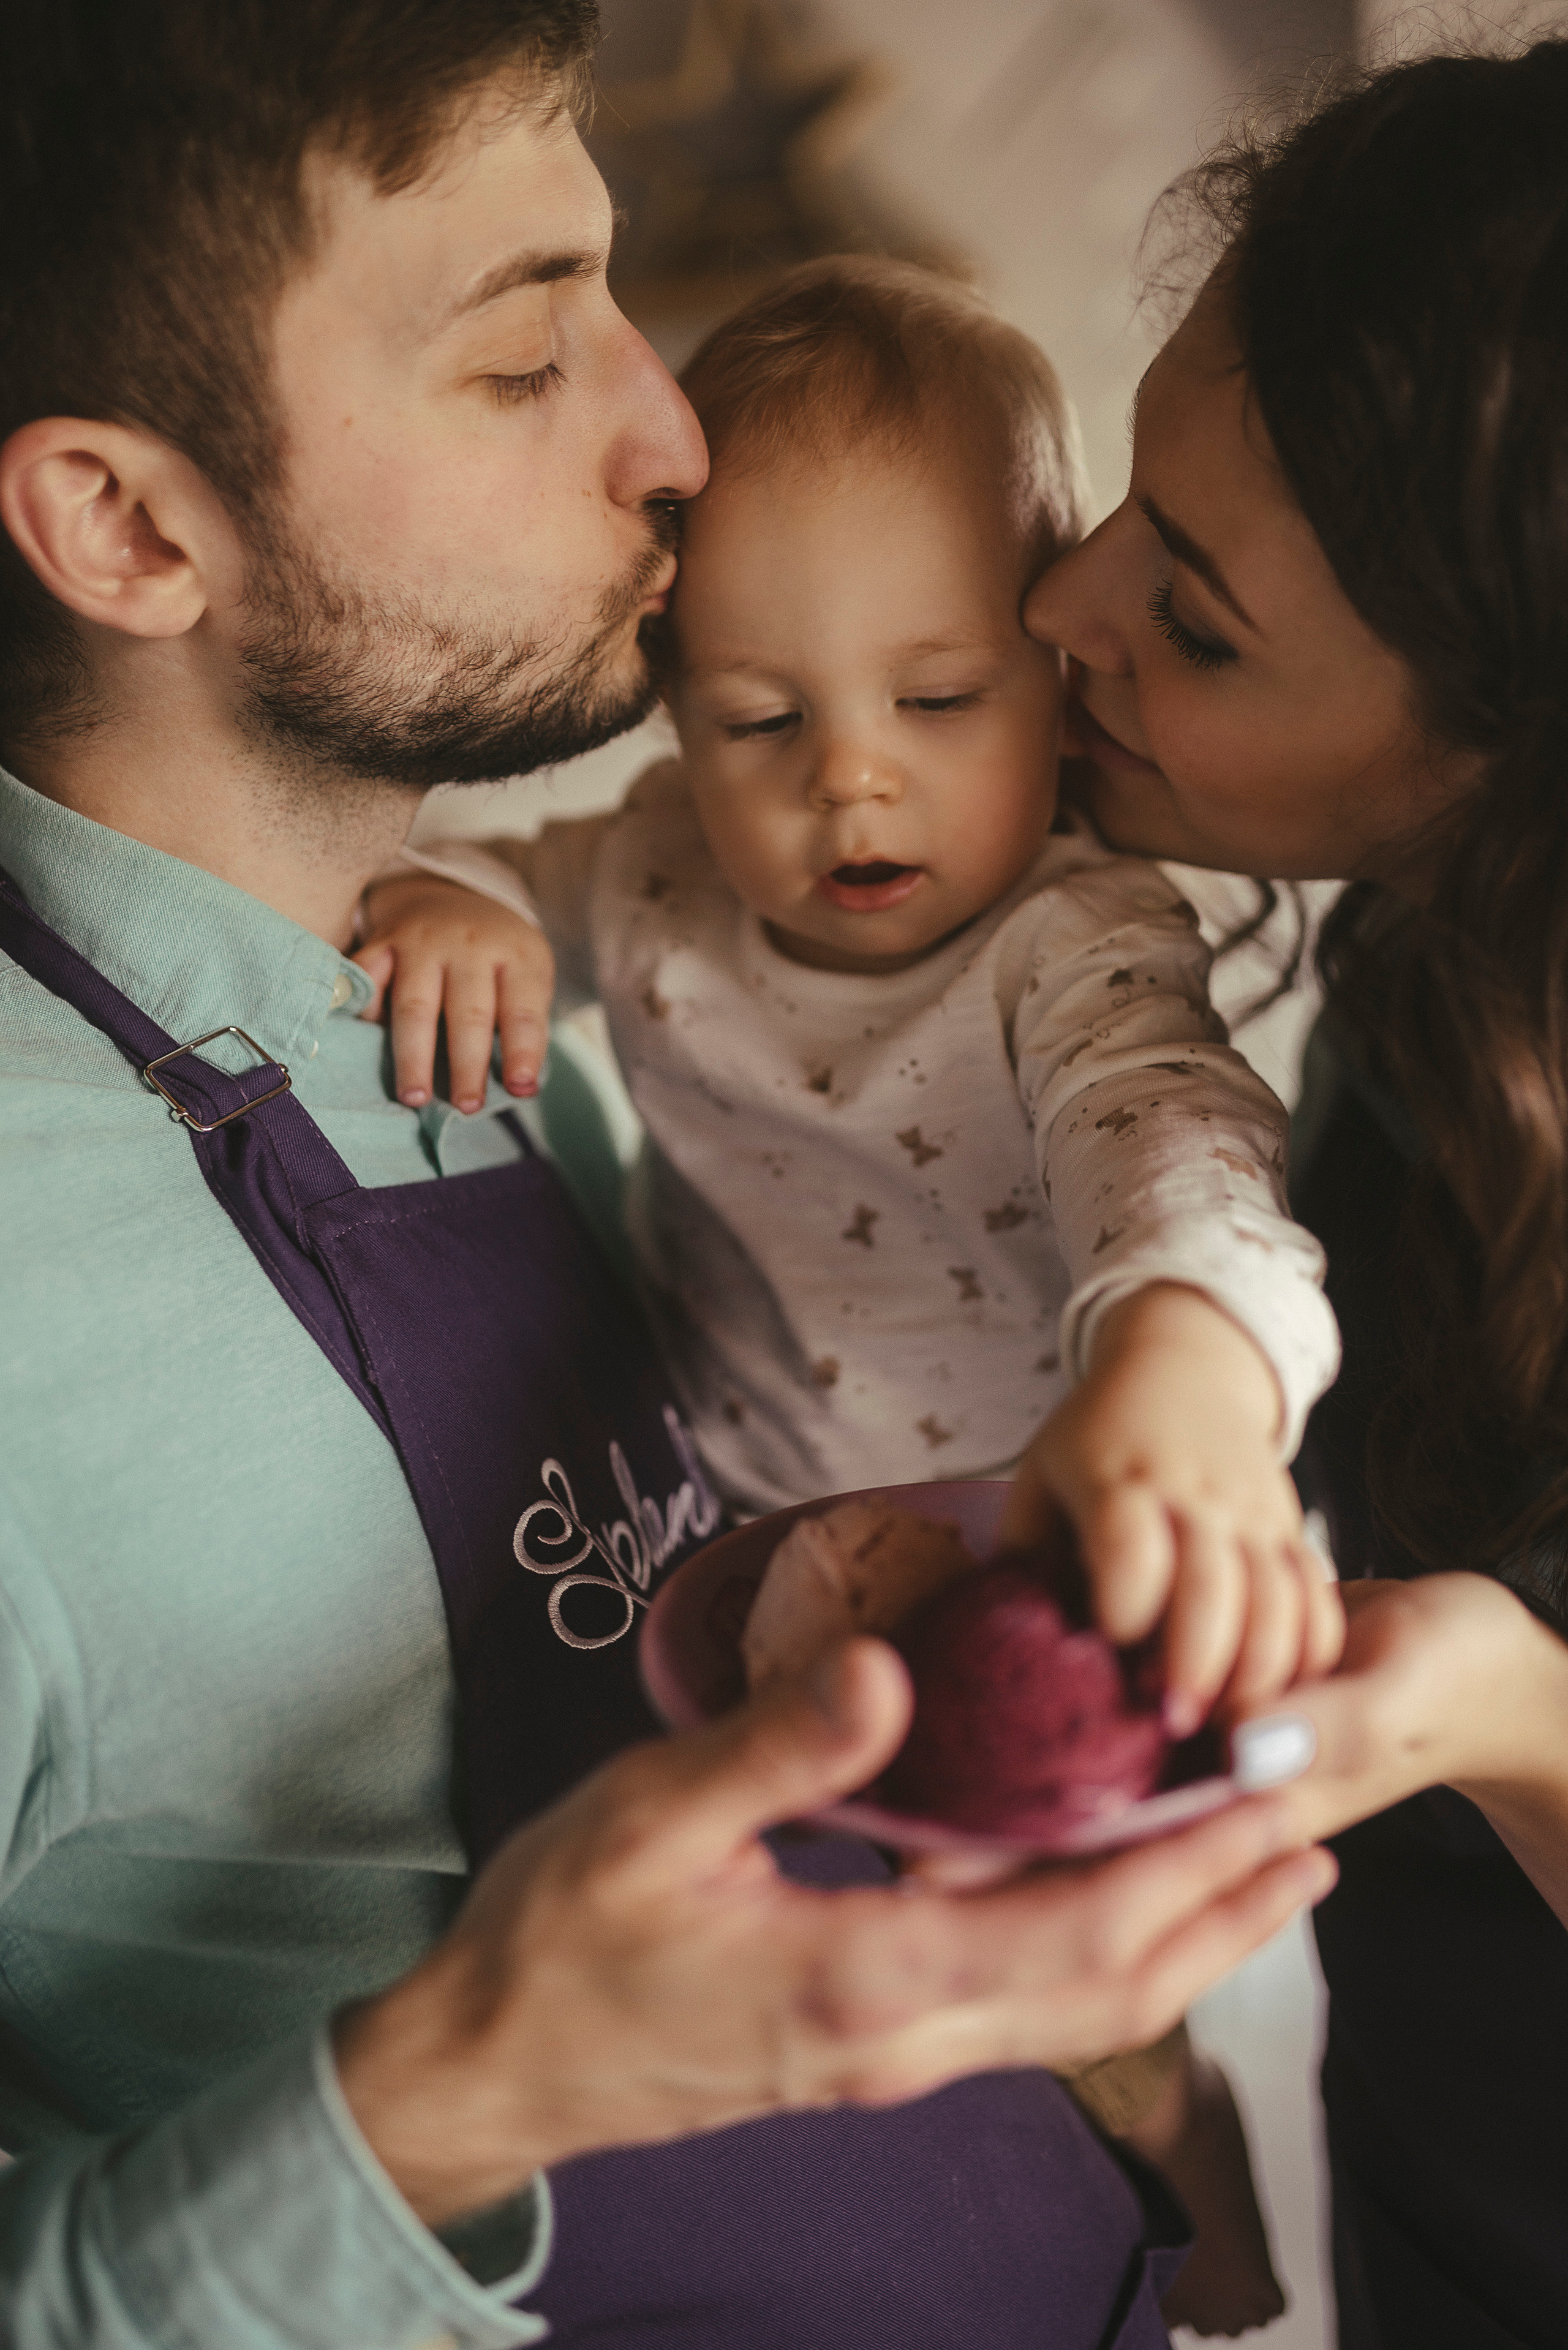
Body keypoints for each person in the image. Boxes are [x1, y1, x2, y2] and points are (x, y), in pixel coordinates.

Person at [0, 7, 1337, 2348]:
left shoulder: (505, 973)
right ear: (129, 524)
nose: (673, 431)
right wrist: (466, 2086)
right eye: (527, 361)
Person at [363, 252, 1344, 2337]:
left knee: (1117, 2024)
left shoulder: (1076, 943)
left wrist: (1187, 1366)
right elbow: (484, 894)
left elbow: (1182, 1147)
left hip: (1053, 1571)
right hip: (768, 1554)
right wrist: (453, 903)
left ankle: (1221, 2235)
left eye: (937, 696)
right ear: (673, 704)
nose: (850, 783)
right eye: (759, 718)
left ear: (1051, 671)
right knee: (891, 2012)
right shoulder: (653, 878)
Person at [1019, 34, 1568, 2350]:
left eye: (1202, 627)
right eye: (1135, 507)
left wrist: (1512, 1711)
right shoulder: (1441, 967)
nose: (1073, 612)